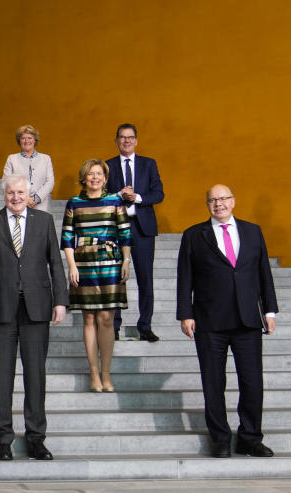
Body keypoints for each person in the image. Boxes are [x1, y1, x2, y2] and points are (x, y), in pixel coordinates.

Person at [177, 184, 278, 458]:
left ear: (233, 201)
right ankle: (220, 439)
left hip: (247, 320)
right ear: (207, 204)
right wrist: (185, 314)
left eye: (223, 198)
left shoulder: (252, 231)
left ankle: (250, 438)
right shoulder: (194, 235)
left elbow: (263, 274)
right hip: (210, 321)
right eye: (212, 200)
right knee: (213, 382)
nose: (218, 204)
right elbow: (185, 278)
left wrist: (269, 311)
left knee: (252, 382)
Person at [0, 174, 68, 461]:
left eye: (20, 192)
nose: (15, 197)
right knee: (2, 376)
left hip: (37, 308)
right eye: (11, 192)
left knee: (36, 376)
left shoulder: (44, 221)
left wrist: (61, 301)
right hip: (1, 308)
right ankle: (3, 439)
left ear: (28, 194)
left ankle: (36, 438)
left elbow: (55, 262)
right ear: (4, 194)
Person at [61, 159, 132, 393]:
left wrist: (126, 261)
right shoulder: (74, 203)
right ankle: (93, 374)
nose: (95, 177)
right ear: (84, 177)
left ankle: (106, 373)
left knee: (106, 318)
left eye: (99, 174)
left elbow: (124, 233)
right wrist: (72, 266)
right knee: (89, 318)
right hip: (83, 263)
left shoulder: (115, 201)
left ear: (105, 177)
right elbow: (67, 238)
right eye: (90, 174)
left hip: (111, 262)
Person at [106, 123, 165, 343]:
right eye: (122, 137)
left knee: (145, 279)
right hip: (116, 228)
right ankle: (114, 327)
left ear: (136, 140)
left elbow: (158, 193)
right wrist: (118, 195)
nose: (126, 141)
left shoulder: (149, 164)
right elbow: (100, 195)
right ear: (116, 140)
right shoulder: (108, 166)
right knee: (117, 278)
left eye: (130, 137)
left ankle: (145, 326)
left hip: (142, 229)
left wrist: (137, 197)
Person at [2, 125, 54, 212]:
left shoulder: (46, 159)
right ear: (19, 141)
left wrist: (36, 198)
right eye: (23, 138)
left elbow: (50, 182)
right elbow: (6, 182)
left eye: (30, 138)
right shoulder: (11, 159)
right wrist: (25, 199)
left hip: (41, 207)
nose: (26, 141)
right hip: (18, 205)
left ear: (35, 140)